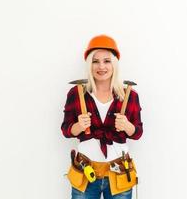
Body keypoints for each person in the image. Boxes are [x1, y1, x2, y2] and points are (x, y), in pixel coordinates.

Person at [61, 34, 143, 199]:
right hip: (85, 172)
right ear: (89, 65)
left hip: (119, 173)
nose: (101, 66)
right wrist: (78, 126)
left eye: (107, 61)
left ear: (114, 64)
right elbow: (66, 130)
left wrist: (127, 126)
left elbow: (138, 132)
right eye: (95, 61)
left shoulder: (129, 95)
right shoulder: (77, 93)